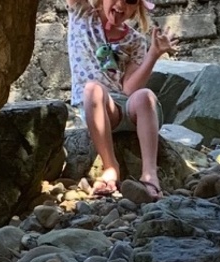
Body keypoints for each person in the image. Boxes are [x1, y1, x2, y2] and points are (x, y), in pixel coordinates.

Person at [66, 0, 174, 198]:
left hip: (127, 105)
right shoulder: (82, 14)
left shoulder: (134, 40)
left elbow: (129, 89)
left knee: (145, 96)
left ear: (137, 8)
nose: (120, 4)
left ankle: (150, 173)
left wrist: (154, 54)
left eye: (130, 1)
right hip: (102, 108)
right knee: (92, 89)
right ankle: (110, 167)